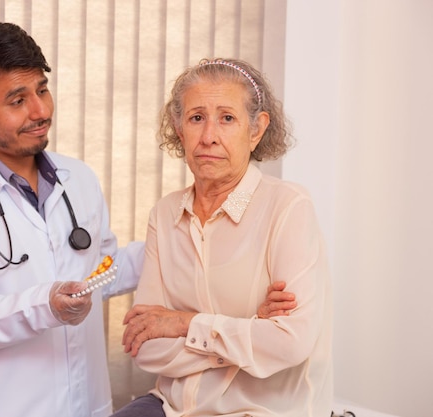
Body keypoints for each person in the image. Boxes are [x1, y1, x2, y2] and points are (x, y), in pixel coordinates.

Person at [0, 22, 297, 417]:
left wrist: (187, 240)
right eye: (17, 101)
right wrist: (42, 306)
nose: (40, 111)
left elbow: (100, 273)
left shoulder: (77, 179)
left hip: (85, 405)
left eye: (42, 90)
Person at [111, 58, 333, 417]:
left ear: (256, 130)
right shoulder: (165, 214)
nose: (209, 135)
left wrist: (184, 323)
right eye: (196, 118)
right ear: (179, 129)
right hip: (172, 406)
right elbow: (147, 347)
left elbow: (291, 344)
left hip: (261, 410)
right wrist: (249, 331)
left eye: (227, 118)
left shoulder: (289, 207)